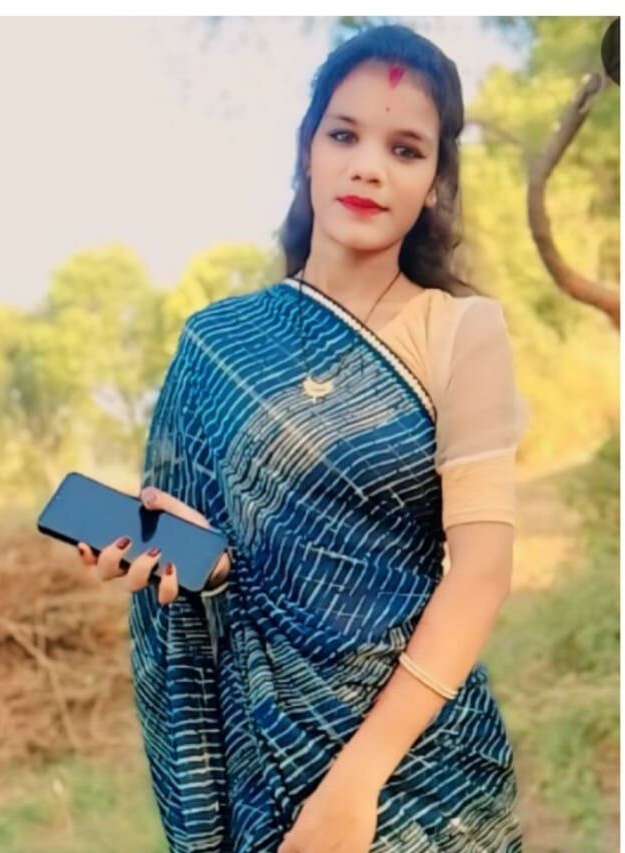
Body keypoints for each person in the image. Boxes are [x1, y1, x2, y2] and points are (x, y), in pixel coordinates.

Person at [77, 23, 530, 852]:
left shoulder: (461, 331)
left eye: (405, 149)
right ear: (307, 153)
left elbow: (482, 572)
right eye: (344, 135)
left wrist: (355, 785)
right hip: (264, 764)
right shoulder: (218, 346)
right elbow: (236, 568)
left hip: (425, 775)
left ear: (435, 183)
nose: (368, 166)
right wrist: (204, 564)